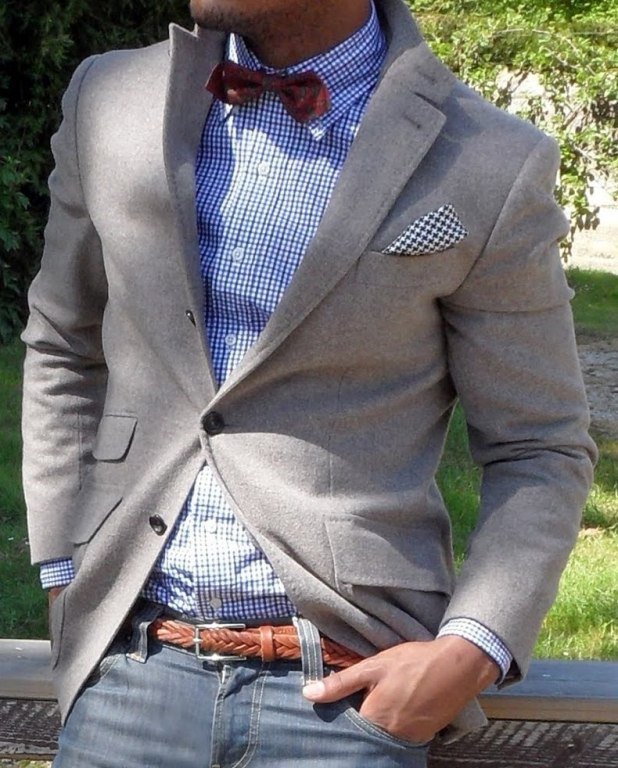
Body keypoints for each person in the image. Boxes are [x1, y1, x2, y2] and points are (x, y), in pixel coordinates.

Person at [21, 0, 596, 765]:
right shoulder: (109, 97)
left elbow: (540, 443)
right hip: (129, 680)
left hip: (345, 702)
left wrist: (473, 648)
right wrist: (64, 573)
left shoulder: (488, 159)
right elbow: (63, 344)